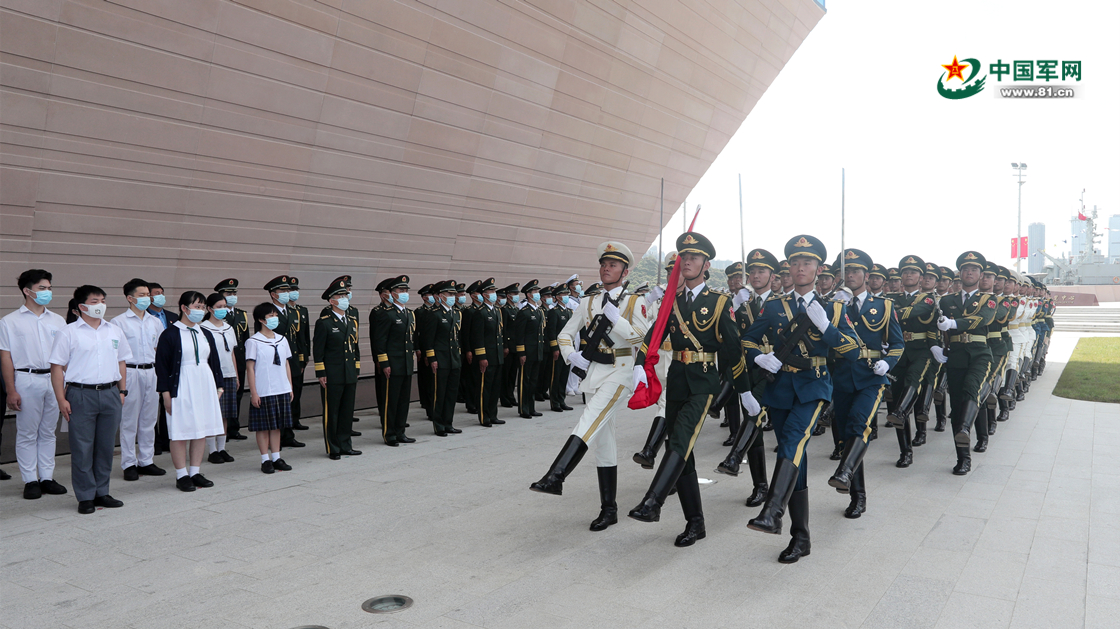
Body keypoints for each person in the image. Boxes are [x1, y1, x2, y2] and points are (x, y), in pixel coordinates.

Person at [630, 232, 755, 547]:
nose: (687, 262)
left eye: (694, 258)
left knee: (681, 438)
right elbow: (654, 334)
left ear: (706, 265)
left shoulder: (719, 301)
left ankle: (653, 502)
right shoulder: (671, 299)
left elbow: (732, 351)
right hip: (677, 378)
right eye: (683, 257)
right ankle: (695, 524)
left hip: (703, 379)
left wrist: (744, 390)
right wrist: (639, 365)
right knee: (682, 451)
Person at [741, 235, 860, 563]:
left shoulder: (834, 308)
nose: (800, 268)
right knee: (796, 458)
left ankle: (773, 511)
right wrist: (758, 358)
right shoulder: (775, 306)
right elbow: (748, 340)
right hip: (780, 388)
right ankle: (801, 538)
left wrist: (828, 329)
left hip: (814, 387)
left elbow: (853, 351)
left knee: (792, 441)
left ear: (819, 269)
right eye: (795, 263)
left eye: (807, 263)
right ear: (788, 269)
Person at [532, 241, 649, 532]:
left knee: (589, 419)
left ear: (625, 270)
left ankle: (556, 476)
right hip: (594, 372)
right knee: (603, 443)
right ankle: (609, 510)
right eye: (603, 263)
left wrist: (618, 322)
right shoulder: (588, 302)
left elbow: (643, 340)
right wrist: (571, 355)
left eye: (612, 264)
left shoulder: (634, 302)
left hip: (620, 372)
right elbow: (565, 334)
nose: (606, 268)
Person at [825, 249, 903, 520]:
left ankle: (847, 477)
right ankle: (856, 492)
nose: (850, 276)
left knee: (860, 424)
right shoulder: (832, 304)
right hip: (842, 376)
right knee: (847, 434)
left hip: (871, 377)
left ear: (866, 276)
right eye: (845, 272)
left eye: (855, 271)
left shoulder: (884, 306)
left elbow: (897, 344)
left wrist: (888, 363)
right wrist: (833, 306)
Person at [49, 285, 132, 514]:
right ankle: (85, 496)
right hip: (80, 394)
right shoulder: (68, 332)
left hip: (110, 393)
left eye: (103, 300)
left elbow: (122, 361)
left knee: (105, 446)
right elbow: (56, 368)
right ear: (81, 306)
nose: (100, 305)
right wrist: (61, 399)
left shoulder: (114, 330)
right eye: (95, 301)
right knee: (83, 447)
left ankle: (102, 492)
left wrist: (122, 391)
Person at [717, 248, 781, 511]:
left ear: (772, 275)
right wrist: (730, 307)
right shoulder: (741, 304)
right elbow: (723, 333)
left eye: (761, 271)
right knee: (752, 425)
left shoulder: (783, 301)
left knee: (755, 417)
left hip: (777, 369)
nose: (755, 275)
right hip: (749, 368)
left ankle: (735, 458)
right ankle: (760, 486)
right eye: (752, 271)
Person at [1, 269, 69, 499]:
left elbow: (65, 355)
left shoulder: (57, 320)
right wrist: (11, 389)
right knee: (28, 433)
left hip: (54, 378)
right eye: (42, 288)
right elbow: (6, 357)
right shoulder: (10, 321)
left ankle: (47, 477)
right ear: (27, 291)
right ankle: (30, 480)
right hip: (26, 379)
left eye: (49, 288)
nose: (47, 292)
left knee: (48, 432)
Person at [155, 291, 224, 492]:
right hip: (182, 385)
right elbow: (162, 366)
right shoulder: (170, 333)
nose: (200, 311)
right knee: (180, 430)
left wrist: (219, 387)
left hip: (204, 384)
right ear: (184, 308)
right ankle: (181, 474)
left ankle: (195, 471)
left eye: (202, 307)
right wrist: (165, 393)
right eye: (196, 306)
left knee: (200, 430)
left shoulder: (206, 333)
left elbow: (214, 362)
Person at [936, 251, 996, 475]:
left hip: (980, 353)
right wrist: (936, 346)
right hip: (956, 355)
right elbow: (936, 325)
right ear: (960, 274)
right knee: (958, 404)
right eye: (965, 269)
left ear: (980, 275)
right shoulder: (947, 300)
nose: (969, 272)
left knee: (973, 388)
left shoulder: (988, 299)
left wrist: (953, 323)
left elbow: (983, 319)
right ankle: (963, 457)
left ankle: (966, 428)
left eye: (974, 269)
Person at [884, 256, 940, 468]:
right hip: (897, 350)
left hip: (920, 350)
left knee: (913, 379)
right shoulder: (889, 297)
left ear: (920, 277)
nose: (909, 275)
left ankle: (900, 412)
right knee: (897, 394)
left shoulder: (926, 299)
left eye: (914, 272)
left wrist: (888, 314)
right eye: (905, 271)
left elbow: (911, 313)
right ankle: (905, 451)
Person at [109, 278, 167, 482]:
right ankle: (128, 463)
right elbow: (116, 355)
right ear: (130, 298)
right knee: (129, 421)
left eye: (148, 295)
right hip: (130, 373)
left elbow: (161, 349)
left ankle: (146, 460)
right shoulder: (118, 322)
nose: (147, 298)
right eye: (142, 295)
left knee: (149, 419)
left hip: (151, 372)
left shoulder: (155, 321)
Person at [314, 277, 361, 459]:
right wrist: (321, 373)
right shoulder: (324, 322)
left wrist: (356, 369)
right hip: (332, 374)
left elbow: (354, 348)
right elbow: (318, 351)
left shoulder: (351, 320)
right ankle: (333, 447)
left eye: (345, 295)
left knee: (347, 411)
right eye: (340, 295)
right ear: (331, 300)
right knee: (332, 412)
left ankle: (346, 444)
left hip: (349, 372)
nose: (344, 298)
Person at [246, 303, 294, 474]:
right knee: (263, 426)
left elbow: (287, 364)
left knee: (277, 426)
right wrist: (254, 392)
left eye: (275, 315)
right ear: (261, 319)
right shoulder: (253, 341)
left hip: (281, 388)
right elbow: (250, 368)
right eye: (270, 316)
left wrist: (290, 386)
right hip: (264, 390)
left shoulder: (282, 339)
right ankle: (265, 459)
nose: (274, 318)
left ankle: (276, 456)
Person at [372, 275, 416, 446]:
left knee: (403, 400)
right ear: (392, 293)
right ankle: (389, 434)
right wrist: (384, 362)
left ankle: (400, 432)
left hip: (405, 363)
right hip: (392, 364)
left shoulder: (409, 314)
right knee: (391, 401)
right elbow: (380, 341)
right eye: (401, 290)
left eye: (406, 290)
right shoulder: (386, 314)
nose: (404, 293)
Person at [264, 276, 305, 449]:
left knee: (291, 398)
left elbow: (299, 337)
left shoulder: (293, 311)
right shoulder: (268, 312)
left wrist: (302, 359)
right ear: (273, 294)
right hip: (276, 361)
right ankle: (277, 436)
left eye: (287, 290)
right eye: (283, 291)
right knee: (278, 400)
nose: (287, 294)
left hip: (292, 359)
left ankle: (288, 434)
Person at [420, 280, 462, 436]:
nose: (452, 297)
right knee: (440, 393)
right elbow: (428, 339)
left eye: (453, 294)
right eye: (449, 294)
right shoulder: (434, 314)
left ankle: (448, 423)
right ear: (440, 296)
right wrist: (432, 358)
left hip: (454, 359)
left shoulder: (456, 313)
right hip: (440, 359)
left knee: (451, 393)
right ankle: (439, 425)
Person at [200, 293, 238, 464]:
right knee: (211, 413)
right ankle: (212, 449)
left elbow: (233, 353)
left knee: (225, 414)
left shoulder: (229, 328)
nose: (223, 310)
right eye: (219, 307)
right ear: (209, 309)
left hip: (229, 374)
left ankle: (221, 448)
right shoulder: (203, 328)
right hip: (213, 375)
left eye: (225, 306)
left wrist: (236, 375)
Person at [214, 279, 250, 440]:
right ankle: (221, 430)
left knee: (237, 395)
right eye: (229, 293)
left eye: (234, 293)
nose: (232, 296)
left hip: (239, 360)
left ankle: (233, 428)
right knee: (221, 397)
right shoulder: (216, 315)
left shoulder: (242, 314)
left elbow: (246, 339)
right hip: (223, 361)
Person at [146, 282, 178, 454]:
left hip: (171, 365)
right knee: (151, 407)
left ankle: (167, 439)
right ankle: (155, 442)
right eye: (156, 293)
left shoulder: (173, 316)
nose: (160, 296)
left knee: (169, 403)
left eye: (162, 292)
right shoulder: (147, 318)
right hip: (152, 365)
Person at [470, 278, 506, 427]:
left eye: (494, 291)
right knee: (485, 387)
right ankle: (484, 416)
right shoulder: (481, 313)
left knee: (495, 387)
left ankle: (493, 414)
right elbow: (478, 337)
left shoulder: (497, 311)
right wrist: (482, 357)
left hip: (497, 356)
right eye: (491, 291)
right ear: (484, 295)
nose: (494, 294)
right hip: (487, 356)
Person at [514, 280, 546, 419]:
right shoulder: (524, 312)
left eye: (538, 292)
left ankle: (531, 407)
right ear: (528, 294)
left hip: (536, 352)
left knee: (533, 381)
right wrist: (521, 352)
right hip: (527, 352)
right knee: (524, 381)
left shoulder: (538, 311)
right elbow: (519, 335)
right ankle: (523, 408)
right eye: (535, 292)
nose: (537, 294)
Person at [286, 277, 311, 432]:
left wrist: (304, 357)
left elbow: (304, 337)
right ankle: (288, 422)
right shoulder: (283, 312)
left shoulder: (302, 311)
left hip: (298, 357)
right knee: (289, 391)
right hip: (287, 357)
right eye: (290, 290)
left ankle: (296, 419)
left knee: (297, 388)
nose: (293, 293)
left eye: (295, 290)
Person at [547, 284, 574, 412]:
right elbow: (551, 332)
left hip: (567, 349)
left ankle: (562, 400)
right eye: (563, 294)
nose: (566, 296)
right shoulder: (554, 312)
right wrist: (555, 348)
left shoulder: (569, 312)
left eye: (566, 294)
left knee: (564, 375)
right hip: (558, 348)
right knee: (556, 376)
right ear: (557, 297)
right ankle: (555, 402)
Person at [499, 283, 520, 408]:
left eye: (517, 294)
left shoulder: (516, 310)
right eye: (514, 294)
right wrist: (505, 345)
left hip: (516, 347)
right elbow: (504, 330)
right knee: (505, 374)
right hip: (508, 347)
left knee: (513, 374)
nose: (516, 296)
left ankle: (511, 396)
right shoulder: (504, 310)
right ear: (508, 296)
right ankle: (504, 398)